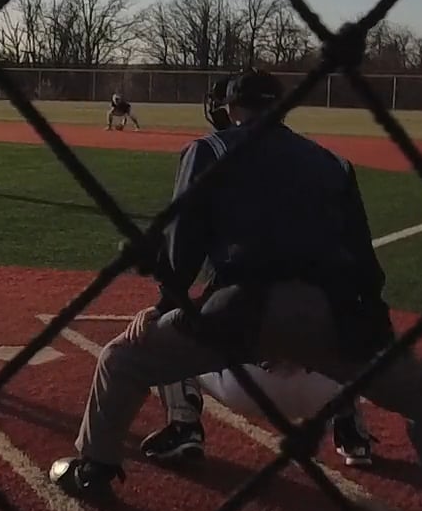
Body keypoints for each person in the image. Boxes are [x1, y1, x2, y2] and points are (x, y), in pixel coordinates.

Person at [48, 69, 422, 511]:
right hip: (329, 315)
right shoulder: (331, 162)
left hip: (239, 312)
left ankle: (98, 468)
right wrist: (371, 331)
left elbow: (182, 244)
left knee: (122, 359)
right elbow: (364, 263)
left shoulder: (210, 150)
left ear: (231, 108)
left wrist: (165, 305)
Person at [140, 81, 377, 468]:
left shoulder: (211, 158)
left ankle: (184, 425)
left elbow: (181, 255)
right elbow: (364, 274)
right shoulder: (321, 165)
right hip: (328, 381)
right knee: (353, 318)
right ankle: (351, 428)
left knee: (168, 324)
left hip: (244, 375)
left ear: (232, 110)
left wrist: (164, 301)